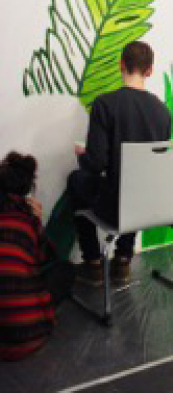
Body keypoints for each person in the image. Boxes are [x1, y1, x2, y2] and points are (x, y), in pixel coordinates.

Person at [68, 41, 171, 286]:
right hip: (148, 207)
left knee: (76, 179)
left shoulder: (104, 104)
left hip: (114, 208)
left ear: (120, 65)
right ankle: (123, 258)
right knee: (137, 183)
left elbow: (96, 164)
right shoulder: (162, 111)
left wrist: (83, 154)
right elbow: (154, 166)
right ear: (150, 71)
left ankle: (93, 262)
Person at [0, 152, 74, 361]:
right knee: (65, 270)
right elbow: (46, 260)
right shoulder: (28, 220)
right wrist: (38, 221)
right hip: (30, 336)